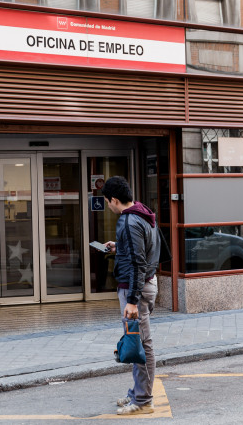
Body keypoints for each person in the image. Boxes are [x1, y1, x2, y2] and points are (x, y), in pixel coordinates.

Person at [101, 176, 160, 416]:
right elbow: (143, 249)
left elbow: (138, 262)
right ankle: (138, 393)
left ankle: (144, 400)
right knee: (136, 340)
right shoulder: (143, 212)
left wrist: (133, 300)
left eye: (107, 201)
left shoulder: (128, 221)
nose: (108, 206)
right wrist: (119, 246)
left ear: (114, 199)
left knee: (142, 344)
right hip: (146, 283)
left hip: (136, 288)